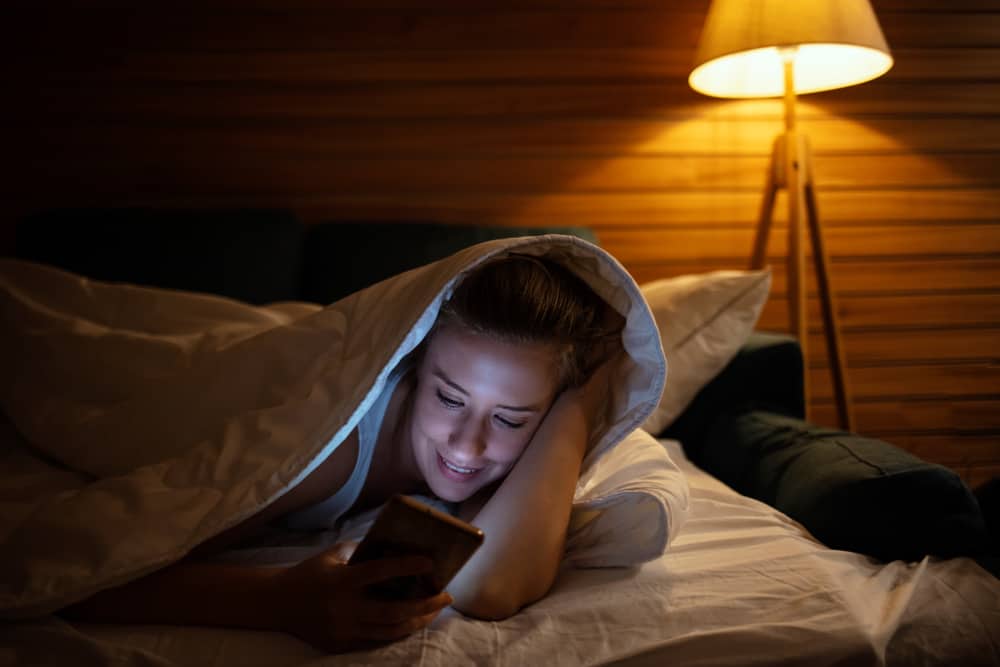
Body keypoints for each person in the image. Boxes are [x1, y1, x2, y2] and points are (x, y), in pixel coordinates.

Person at [61, 253, 623, 654]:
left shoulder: (538, 427)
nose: (466, 444)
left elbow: (493, 586)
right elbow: (90, 573)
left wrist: (582, 394)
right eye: (449, 398)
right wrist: (277, 601)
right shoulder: (334, 447)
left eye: (509, 418)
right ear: (414, 365)